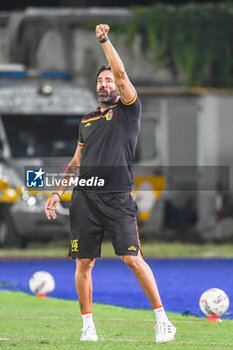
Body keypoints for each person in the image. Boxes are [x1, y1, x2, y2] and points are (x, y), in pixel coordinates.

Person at [45, 24, 176, 344]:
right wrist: (57, 190)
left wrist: (104, 41)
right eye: (99, 81)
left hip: (117, 198)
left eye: (108, 81)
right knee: (83, 262)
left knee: (132, 258)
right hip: (85, 200)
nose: (104, 84)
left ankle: (163, 321)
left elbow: (120, 74)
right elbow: (75, 164)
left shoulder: (129, 111)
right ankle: (88, 326)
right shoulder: (87, 120)